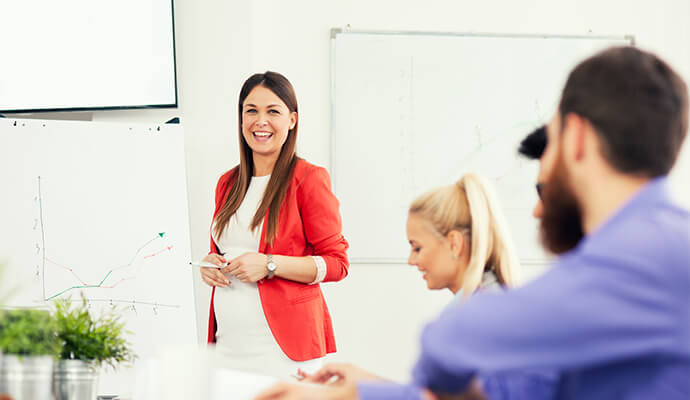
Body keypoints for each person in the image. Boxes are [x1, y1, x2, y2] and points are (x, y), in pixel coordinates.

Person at [259, 46, 690, 399]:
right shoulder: (644, 257)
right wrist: (360, 393)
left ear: (576, 137)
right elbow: (516, 391)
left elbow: (449, 341)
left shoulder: (651, 254)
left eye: (549, 142)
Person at [299, 172, 522, 384]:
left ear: (454, 244)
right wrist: (360, 382)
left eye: (417, 248)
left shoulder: (477, 317)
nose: (411, 261)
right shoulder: (484, 302)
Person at [200, 71, 349, 378]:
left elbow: (337, 264)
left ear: (292, 120)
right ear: (241, 119)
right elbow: (226, 250)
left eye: (273, 111)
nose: (260, 121)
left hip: (283, 352)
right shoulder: (227, 183)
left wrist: (269, 264)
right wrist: (210, 265)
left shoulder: (308, 179)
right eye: (251, 110)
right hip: (228, 346)